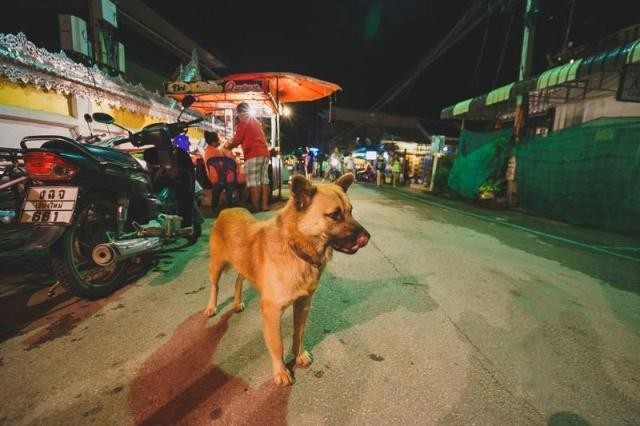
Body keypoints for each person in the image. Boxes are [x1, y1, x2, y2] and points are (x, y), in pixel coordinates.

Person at [224, 102, 271, 212]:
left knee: (254, 182)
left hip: (253, 154)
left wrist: (228, 147)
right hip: (264, 153)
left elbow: (237, 140)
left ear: (239, 112)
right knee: (264, 180)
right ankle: (265, 205)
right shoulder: (255, 122)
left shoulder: (243, 122)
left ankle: (256, 207)